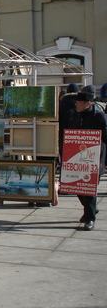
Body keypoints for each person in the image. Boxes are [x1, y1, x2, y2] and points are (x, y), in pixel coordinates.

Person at [62, 90, 107, 231]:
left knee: (89, 188)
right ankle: (90, 209)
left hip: (94, 159)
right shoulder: (75, 115)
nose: (76, 104)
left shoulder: (99, 116)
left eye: (79, 102)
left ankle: (90, 218)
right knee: (77, 187)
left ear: (88, 104)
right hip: (77, 158)